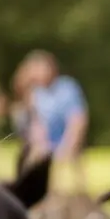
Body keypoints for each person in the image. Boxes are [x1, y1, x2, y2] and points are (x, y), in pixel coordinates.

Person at [19, 50, 90, 196]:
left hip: (68, 138)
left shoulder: (67, 87)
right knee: (31, 159)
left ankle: (81, 198)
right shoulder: (35, 93)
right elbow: (37, 124)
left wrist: (68, 144)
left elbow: (77, 120)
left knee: (69, 164)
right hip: (47, 142)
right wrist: (41, 144)